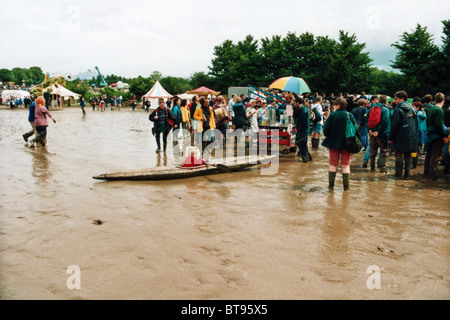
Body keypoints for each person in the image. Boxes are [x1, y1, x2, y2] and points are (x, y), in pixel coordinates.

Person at [321, 97, 356, 191]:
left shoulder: (333, 115)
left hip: (334, 143)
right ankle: (346, 189)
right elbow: (355, 130)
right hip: (347, 144)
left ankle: (331, 187)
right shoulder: (350, 115)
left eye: (335, 105)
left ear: (338, 105)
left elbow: (326, 131)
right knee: (345, 166)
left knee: (333, 164)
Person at [389, 91, 418, 180]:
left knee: (398, 155)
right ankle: (407, 175)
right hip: (411, 136)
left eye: (396, 99)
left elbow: (394, 125)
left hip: (400, 136)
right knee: (408, 156)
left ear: (402, 99)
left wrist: (391, 138)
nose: (395, 100)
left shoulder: (398, 110)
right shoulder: (413, 109)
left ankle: (398, 174)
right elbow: (416, 125)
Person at [423, 92, 450, 180]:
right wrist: (444, 136)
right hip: (437, 136)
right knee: (436, 155)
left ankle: (426, 172)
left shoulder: (432, 108)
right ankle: (433, 175)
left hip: (430, 134)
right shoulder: (439, 110)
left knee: (429, 154)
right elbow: (439, 125)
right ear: (443, 99)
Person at [293, 97, 311, 163]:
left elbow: (303, 122)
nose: (294, 104)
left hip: (303, 130)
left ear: (297, 103)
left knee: (300, 142)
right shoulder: (304, 109)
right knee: (301, 143)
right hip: (304, 130)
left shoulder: (303, 110)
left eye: (295, 102)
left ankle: (305, 157)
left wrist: (299, 128)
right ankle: (306, 156)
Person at [413, 98, 427, 168]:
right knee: (418, 148)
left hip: (416, 132)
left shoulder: (416, 114)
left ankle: (414, 164)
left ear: (417, 107)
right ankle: (415, 163)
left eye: (414, 106)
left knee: (415, 149)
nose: (412, 107)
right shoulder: (423, 114)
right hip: (422, 132)